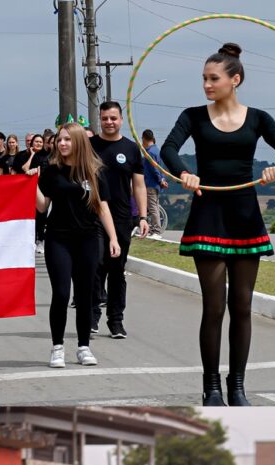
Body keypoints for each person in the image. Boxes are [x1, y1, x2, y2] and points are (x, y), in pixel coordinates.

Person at [161, 43, 275, 406]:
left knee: (242, 306)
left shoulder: (258, 118)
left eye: (213, 78)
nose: (206, 84)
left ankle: (237, 386)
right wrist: (184, 173)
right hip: (208, 214)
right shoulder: (192, 116)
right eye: (204, 78)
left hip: (245, 215)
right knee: (214, 307)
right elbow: (168, 149)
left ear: (235, 80)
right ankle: (211, 388)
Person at [37, 123, 119, 369]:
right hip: (58, 239)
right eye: (60, 140)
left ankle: (84, 347)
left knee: (85, 296)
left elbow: (102, 207)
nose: (62, 144)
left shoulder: (95, 171)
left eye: (67, 140)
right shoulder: (51, 171)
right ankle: (57, 347)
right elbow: (42, 206)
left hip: (87, 239)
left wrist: (113, 238)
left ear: (79, 142)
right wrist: (29, 184)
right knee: (61, 294)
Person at [89, 101, 148, 340]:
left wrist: (143, 216)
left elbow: (139, 185)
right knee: (95, 267)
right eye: (105, 118)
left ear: (121, 120)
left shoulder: (132, 149)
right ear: (100, 120)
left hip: (123, 217)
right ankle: (91, 317)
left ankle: (116, 321)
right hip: (92, 216)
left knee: (116, 270)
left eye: (113, 118)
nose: (109, 122)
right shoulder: (89, 146)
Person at [140, 129, 167, 238]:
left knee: (152, 207)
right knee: (154, 206)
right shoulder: (156, 150)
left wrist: (160, 180)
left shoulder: (149, 152)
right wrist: (163, 179)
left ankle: (156, 230)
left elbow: (154, 169)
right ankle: (152, 229)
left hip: (151, 183)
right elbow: (161, 168)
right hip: (156, 183)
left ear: (144, 139)